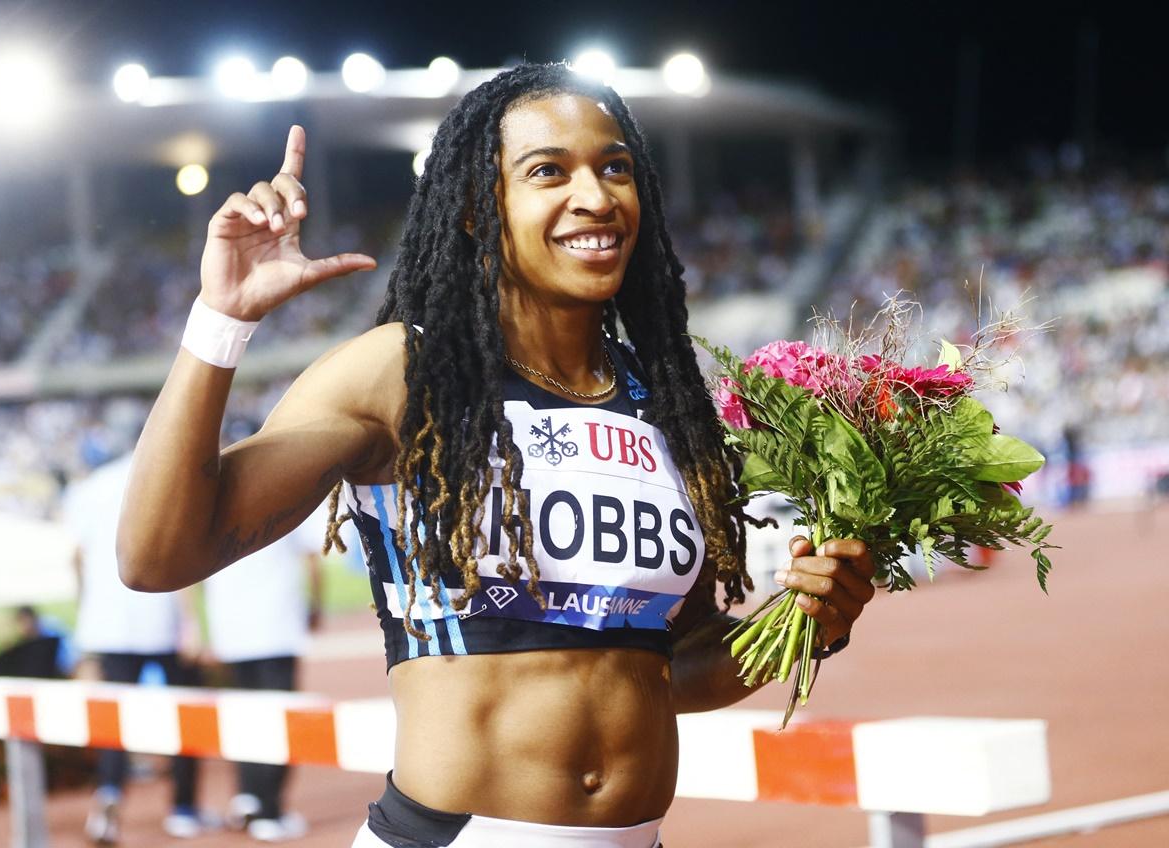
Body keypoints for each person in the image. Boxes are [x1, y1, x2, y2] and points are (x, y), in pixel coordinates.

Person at [119, 62, 877, 848]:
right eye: (548, 171)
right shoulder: (402, 374)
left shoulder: (665, 407)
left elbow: (670, 668)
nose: (596, 195)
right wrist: (220, 320)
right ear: (481, 210)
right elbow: (156, 555)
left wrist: (805, 621)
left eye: (614, 167)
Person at [64, 452, 216, 844]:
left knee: (115, 721)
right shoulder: (166, 473)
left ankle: (110, 795)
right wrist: (191, 624)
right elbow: (182, 551)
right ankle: (183, 808)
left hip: (107, 623)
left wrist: (87, 608)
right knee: (186, 715)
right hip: (160, 615)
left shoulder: (87, 489)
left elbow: (77, 556)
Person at [203, 513, 324, 842]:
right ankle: (269, 811)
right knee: (280, 721)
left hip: (231, 628)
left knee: (245, 717)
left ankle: (248, 796)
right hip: (276, 624)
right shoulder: (286, 486)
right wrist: (316, 604)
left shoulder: (214, 497)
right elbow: (312, 555)